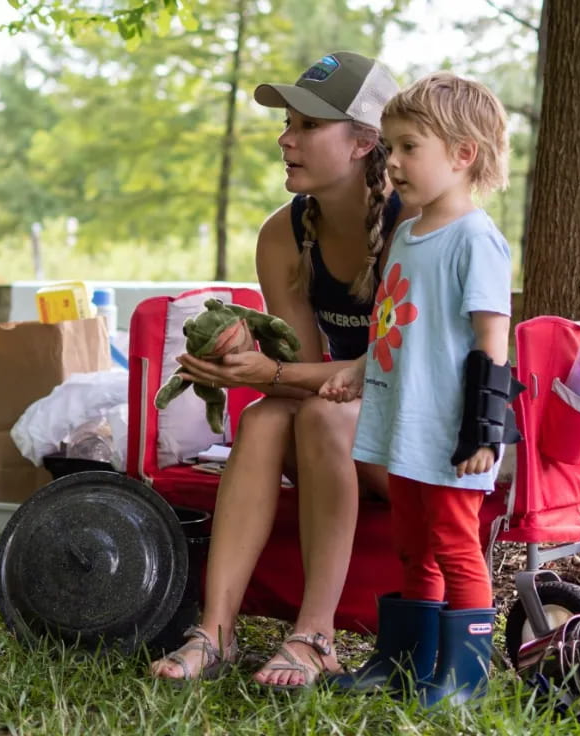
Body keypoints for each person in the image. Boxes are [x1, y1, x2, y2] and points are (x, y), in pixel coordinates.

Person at [149, 51, 418, 687]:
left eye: (306, 127)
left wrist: (264, 372)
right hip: (352, 423)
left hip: (419, 442)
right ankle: (215, 630)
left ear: (362, 143)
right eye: (287, 123)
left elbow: (400, 372)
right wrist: (254, 365)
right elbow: (303, 368)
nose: (285, 139)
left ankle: (314, 637)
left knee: (319, 414)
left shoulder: (419, 227)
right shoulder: (282, 234)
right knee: (270, 420)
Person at [320, 71, 521, 703]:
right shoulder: (407, 234)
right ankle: (407, 663)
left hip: (452, 431)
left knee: (455, 546)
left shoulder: (476, 239)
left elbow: (493, 339)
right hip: (405, 425)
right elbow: (396, 324)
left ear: (463, 155)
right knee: (412, 545)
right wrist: (357, 369)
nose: (394, 161)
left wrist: (485, 430)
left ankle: (465, 680)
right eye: (392, 147)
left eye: (410, 147)